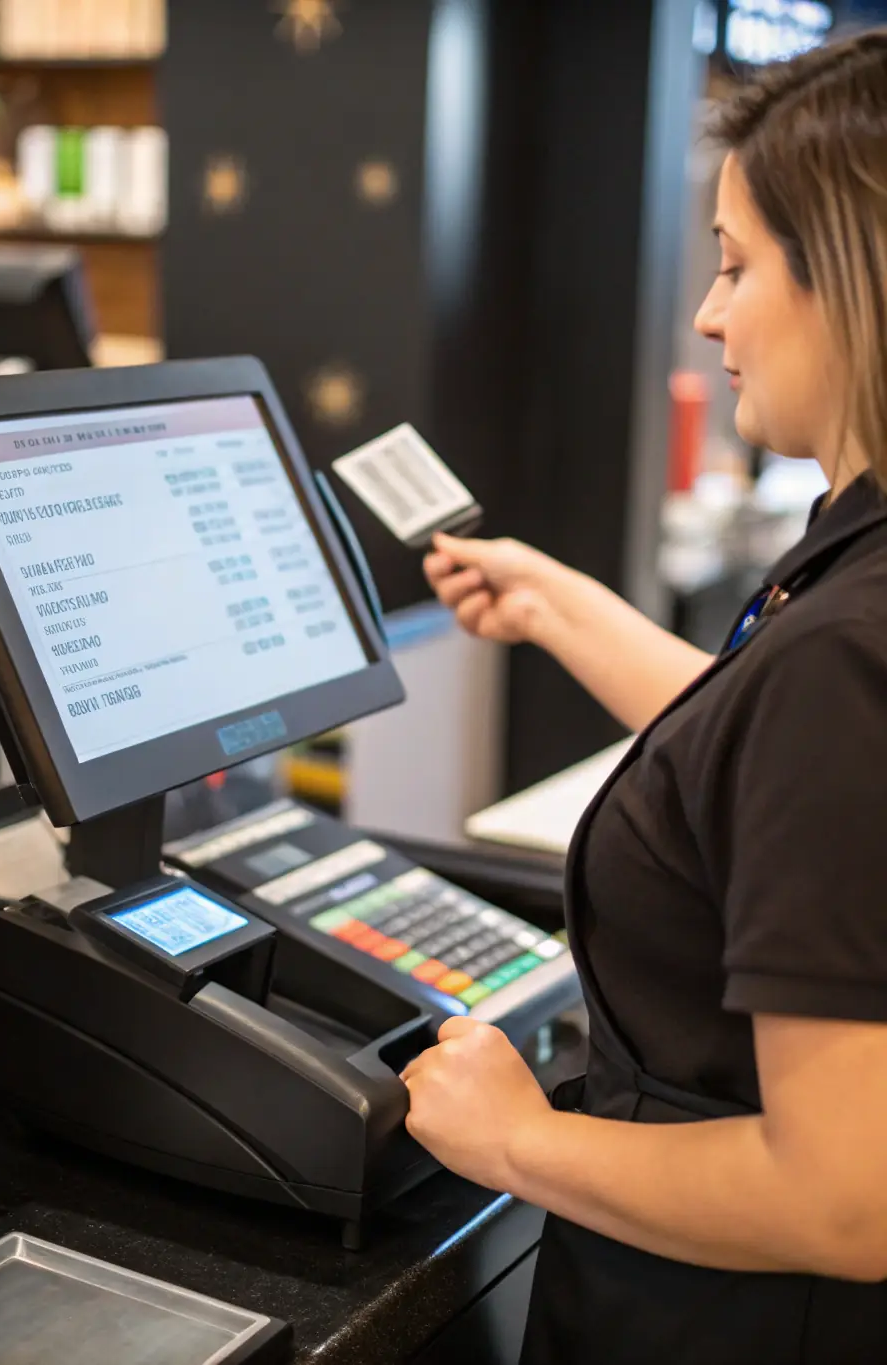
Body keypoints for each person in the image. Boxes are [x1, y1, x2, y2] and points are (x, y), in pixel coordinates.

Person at [402, 31, 887, 1365]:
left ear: (850, 279)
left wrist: (519, 1141)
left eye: (735, 265)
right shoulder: (854, 579)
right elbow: (776, 778)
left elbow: (846, 1198)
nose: (706, 314)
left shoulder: (851, 656)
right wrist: (557, 608)